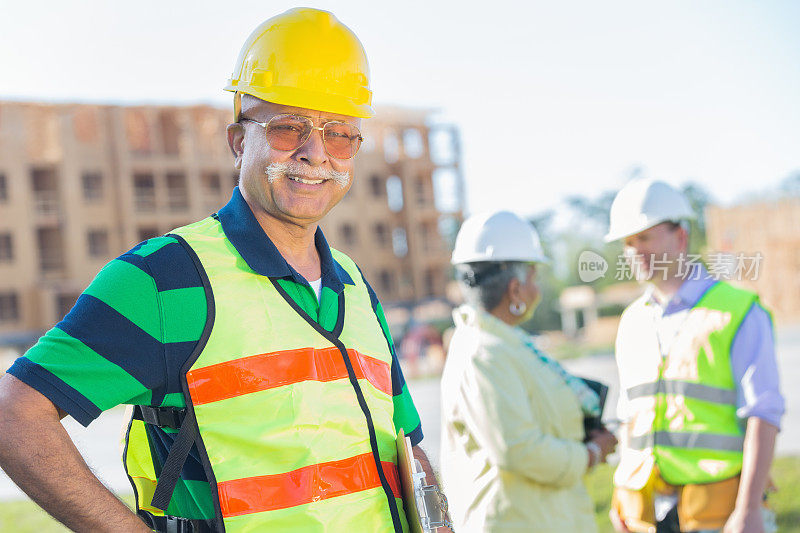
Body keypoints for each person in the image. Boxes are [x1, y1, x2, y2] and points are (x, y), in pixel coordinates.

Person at [0, 8, 441, 532]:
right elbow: (15, 415)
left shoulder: (354, 286)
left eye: (341, 134)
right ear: (238, 142)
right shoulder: (165, 279)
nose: (314, 153)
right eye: (287, 128)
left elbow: (407, 447)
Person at [605, 179, 784, 533]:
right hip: (645, 513)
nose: (634, 251)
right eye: (628, 242)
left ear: (681, 237)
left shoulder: (738, 311)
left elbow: (763, 415)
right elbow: (632, 421)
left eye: (644, 238)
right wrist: (620, 495)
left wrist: (748, 510)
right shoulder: (631, 322)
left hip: (720, 511)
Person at [440, 210, 618, 533]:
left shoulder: (506, 346)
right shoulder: (485, 352)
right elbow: (519, 448)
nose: (537, 288)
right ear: (515, 289)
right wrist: (590, 454)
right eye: (533, 278)